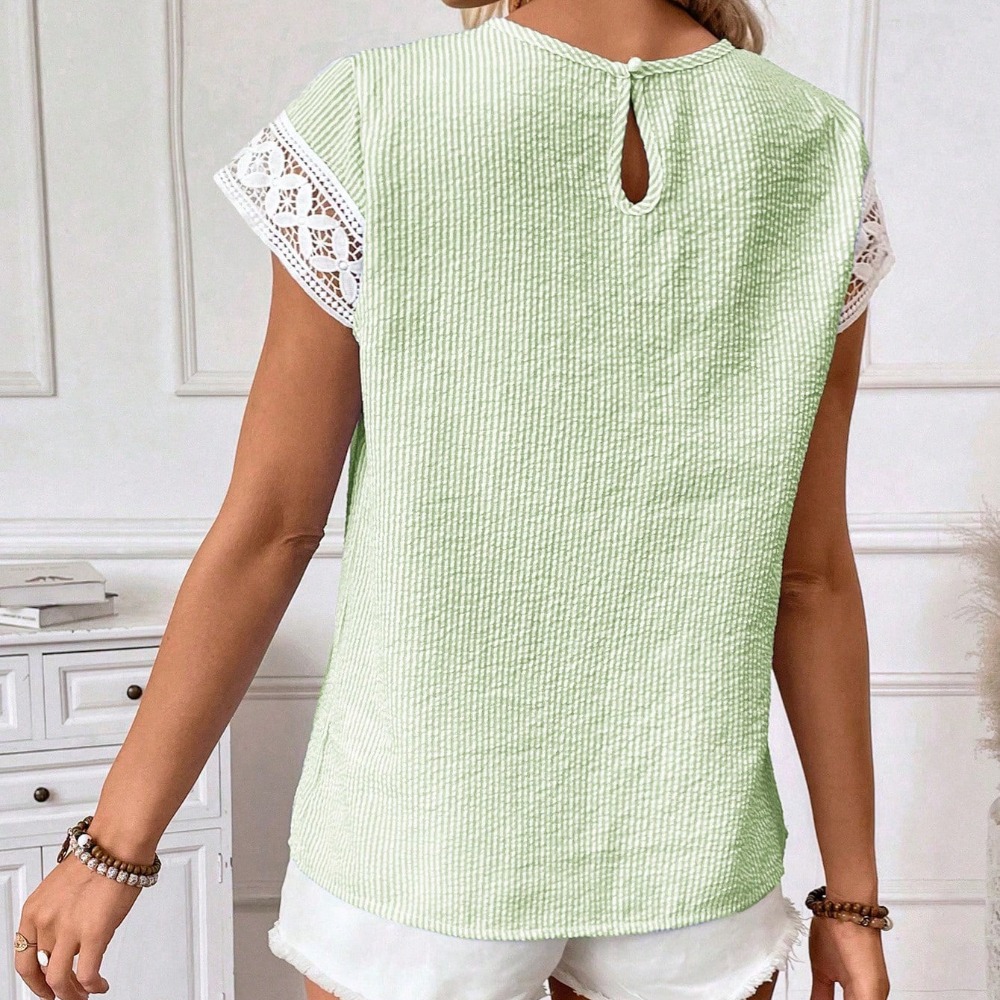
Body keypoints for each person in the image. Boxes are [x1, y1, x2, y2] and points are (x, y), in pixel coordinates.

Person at [13, 1, 897, 999]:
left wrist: (114, 848)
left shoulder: (377, 115)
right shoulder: (816, 145)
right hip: (689, 868)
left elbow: (274, 529)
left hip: (415, 862)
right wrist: (852, 900)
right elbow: (812, 575)